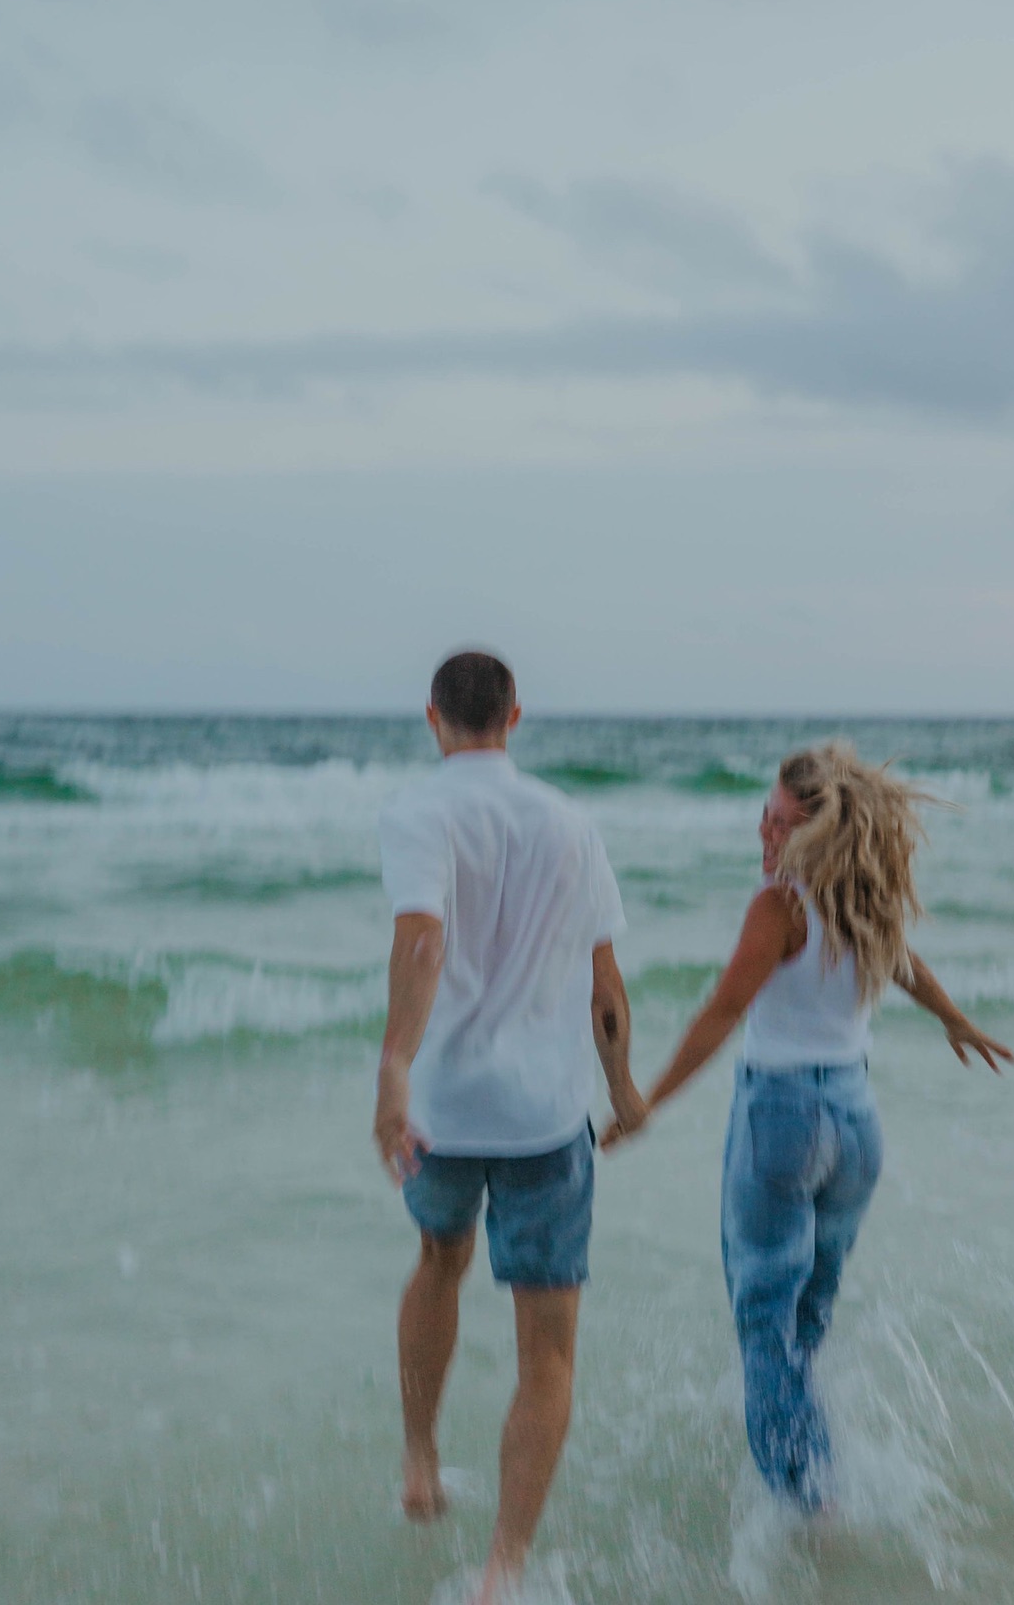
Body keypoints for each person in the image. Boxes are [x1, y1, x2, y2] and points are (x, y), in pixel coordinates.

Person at [603, 742, 1014, 1512]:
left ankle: (806, 1504)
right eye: (764, 813)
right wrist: (953, 1019)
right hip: (856, 1126)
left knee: (764, 1318)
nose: (765, 831)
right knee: (806, 1314)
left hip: (783, 1120)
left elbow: (723, 1011)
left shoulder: (780, 906)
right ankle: (805, 1452)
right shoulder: (864, 898)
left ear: (819, 832)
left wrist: (647, 1101)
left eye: (782, 822)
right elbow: (904, 964)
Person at [373, 651, 648, 1601]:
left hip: (446, 1109)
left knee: (438, 1263)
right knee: (549, 1346)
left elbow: (420, 938)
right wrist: (623, 1089)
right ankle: (504, 1567)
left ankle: (418, 1459)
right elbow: (605, 984)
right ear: (516, 717)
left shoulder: (420, 810)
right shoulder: (571, 823)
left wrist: (394, 1070)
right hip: (543, 1120)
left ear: (434, 718)